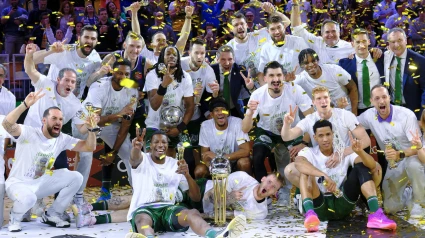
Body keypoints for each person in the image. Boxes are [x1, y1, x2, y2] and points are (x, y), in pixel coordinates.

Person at [2, 89, 98, 232]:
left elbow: (89, 147)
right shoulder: (29, 133)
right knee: (29, 199)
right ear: (44, 120)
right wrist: (24, 105)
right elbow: (7, 125)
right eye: (54, 118)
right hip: (18, 184)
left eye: (60, 119)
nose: (58, 122)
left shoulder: (62, 139)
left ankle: (54, 213)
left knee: (75, 177)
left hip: (40, 183)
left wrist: (91, 130)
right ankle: (15, 217)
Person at [125, 129, 247, 238]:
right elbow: (134, 159)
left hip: (167, 210)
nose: (160, 145)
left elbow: (196, 197)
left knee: (192, 213)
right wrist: (136, 148)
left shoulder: (175, 164)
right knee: (142, 220)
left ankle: (215, 235)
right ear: (150, 145)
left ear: (168, 145)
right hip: (144, 209)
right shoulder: (142, 159)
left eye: (164, 142)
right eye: (156, 142)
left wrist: (187, 175)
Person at [290, 119, 396, 232]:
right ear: (314, 137)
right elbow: (299, 163)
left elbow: (372, 165)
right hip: (319, 204)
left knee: (361, 166)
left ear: (333, 135)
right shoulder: (309, 152)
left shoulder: (343, 151)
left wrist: (360, 152)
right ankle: (310, 214)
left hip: (342, 202)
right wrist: (323, 175)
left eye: (328, 134)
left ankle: (375, 214)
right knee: (305, 173)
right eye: (320, 136)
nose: (325, 139)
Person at [242, 61, 314, 206]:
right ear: (265, 78)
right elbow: (245, 129)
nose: (276, 79)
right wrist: (249, 113)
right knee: (257, 156)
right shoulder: (257, 94)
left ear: (284, 77)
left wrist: (304, 142)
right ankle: (265, 197)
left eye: (279, 75)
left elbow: (311, 118)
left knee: (303, 157)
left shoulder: (295, 90)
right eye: (272, 76)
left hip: (292, 129)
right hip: (267, 131)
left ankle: (301, 196)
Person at [74, 59, 138, 202]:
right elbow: (95, 120)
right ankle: (77, 197)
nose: (123, 77)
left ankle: (140, 194)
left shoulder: (132, 90)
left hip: (109, 124)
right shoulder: (99, 86)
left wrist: (112, 153)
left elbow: (125, 125)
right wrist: (119, 114)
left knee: (129, 152)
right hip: (85, 123)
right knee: (85, 156)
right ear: (112, 73)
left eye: (127, 74)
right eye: (119, 73)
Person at [357, 85, 425, 218]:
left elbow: (418, 148)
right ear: (371, 101)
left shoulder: (406, 115)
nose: (381, 101)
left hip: (412, 157)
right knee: (390, 208)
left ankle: (420, 202)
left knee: (414, 165)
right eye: (377, 98)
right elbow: (351, 124)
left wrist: (400, 153)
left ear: (389, 98)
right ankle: (410, 193)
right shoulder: (369, 116)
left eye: (384, 97)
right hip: (394, 162)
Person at [144, 45, 194, 157]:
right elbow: (154, 105)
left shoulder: (185, 77)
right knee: (152, 157)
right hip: (154, 125)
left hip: (176, 125)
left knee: (179, 156)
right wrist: (164, 85)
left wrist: (179, 128)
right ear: (162, 57)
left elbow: (190, 107)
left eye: (174, 54)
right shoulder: (152, 75)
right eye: (168, 54)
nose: (171, 56)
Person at [180, 38, 219, 176]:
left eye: (202, 53)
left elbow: (212, 96)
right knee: (185, 154)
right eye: (196, 53)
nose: (200, 56)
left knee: (194, 153)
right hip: (177, 118)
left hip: (195, 117)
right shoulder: (180, 64)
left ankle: (196, 186)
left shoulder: (207, 70)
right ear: (189, 52)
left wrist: (215, 92)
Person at [32, 24, 101, 99]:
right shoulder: (64, 51)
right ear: (79, 38)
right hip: (51, 101)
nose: (89, 41)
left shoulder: (95, 56)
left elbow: (90, 81)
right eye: (86, 37)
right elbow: (33, 59)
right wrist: (51, 51)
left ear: (96, 41)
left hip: (73, 104)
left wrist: (101, 71)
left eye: (93, 38)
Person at [226, 3, 290, 84]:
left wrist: (273, 11)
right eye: (236, 25)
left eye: (242, 24)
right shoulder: (228, 49)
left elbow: (286, 22)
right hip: (246, 92)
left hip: (272, 85)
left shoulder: (259, 35)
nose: (240, 27)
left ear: (246, 25)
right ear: (230, 29)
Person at [182, 171, 283, 220]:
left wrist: (198, 216)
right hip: (201, 189)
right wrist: (227, 197)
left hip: (202, 210)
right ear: (263, 179)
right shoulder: (242, 178)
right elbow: (208, 197)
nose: (269, 187)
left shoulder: (260, 212)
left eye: (274, 187)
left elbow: (227, 215)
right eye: (269, 182)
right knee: (174, 196)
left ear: (274, 194)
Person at [291, 48, 359, 114]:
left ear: (318, 60)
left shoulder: (334, 70)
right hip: (324, 118)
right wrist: (287, 80)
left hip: (345, 111)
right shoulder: (300, 79)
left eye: (313, 61)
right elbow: (283, 87)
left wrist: (354, 113)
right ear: (301, 65)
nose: (311, 65)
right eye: (306, 63)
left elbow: (352, 87)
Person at [195, 97, 251, 178]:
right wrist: (215, 167)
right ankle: (205, 189)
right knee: (199, 170)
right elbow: (204, 155)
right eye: (216, 110)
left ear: (227, 113)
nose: (220, 113)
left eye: (223, 109)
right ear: (211, 115)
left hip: (234, 162)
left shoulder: (237, 122)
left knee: (244, 162)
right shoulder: (205, 126)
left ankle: (247, 188)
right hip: (215, 165)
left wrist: (221, 158)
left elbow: (246, 151)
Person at [290, 0, 356, 64]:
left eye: (334, 31)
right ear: (322, 34)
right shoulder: (316, 42)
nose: (331, 35)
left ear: (339, 33)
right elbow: (297, 30)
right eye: (327, 32)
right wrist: (295, 4)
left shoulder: (350, 47)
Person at [129, 1, 193, 64]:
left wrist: (188, 16)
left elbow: (184, 37)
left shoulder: (173, 54)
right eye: (158, 40)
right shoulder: (146, 54)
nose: (161, 42)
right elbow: (137, 35)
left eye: (164, 40)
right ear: (152, 44)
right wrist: (134, 13)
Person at [339, 28, 385, 115]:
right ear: (352, 44)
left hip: (380, 108)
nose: (362, 45)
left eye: (364, 41)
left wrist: (377, 50)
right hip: (358, 110)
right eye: (358, 42)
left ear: (369, 42)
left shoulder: (380, 58)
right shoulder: (345, 64)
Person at [383, 27, 425, 119]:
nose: (396, 44)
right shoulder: (385, 57)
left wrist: (422, 113)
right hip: (392, 110)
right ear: (388, 44)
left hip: (413, 111)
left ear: (406, 41)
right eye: (393, 42)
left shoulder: (420, 60)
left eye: (399, 40)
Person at [210, 45, 254, 119]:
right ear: (217, 59)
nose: (227, 63)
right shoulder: (211, 70)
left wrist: (251, 88)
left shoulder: (240, 71)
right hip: (216, 111)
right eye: (223, 59)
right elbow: (205, 96)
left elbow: (254, 94)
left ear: (234, 59)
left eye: (230, 59)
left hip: (235, 110)